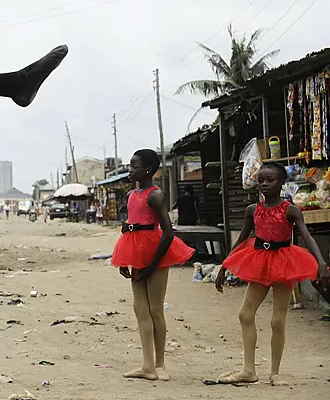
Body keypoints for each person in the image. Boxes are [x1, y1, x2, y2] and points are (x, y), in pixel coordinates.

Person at [214, 163, 328, 386]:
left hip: (284, 262)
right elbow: (241, 239)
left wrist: (321, 263)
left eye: (270, 180)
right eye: (261, 180)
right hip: (259, 260)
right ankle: (249, 370)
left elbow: (307, 237)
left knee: (277, 320)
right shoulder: (252, 210)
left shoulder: (290, 210)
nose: (264, 184)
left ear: (282, 182)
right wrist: (224, 265)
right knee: (245, 314)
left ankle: (275, 372)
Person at [111, 149, 194, 381]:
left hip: (156, 253)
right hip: (135, 252)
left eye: (134, 166)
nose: (130, 170)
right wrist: (124, 258)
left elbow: (167, 233)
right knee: (140, 309)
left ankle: (160, 364)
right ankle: (147, 365)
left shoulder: (155, 195)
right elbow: (132, 225)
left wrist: (152, 265)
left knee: (156, 309)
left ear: (147, 169)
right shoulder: (131, 195)